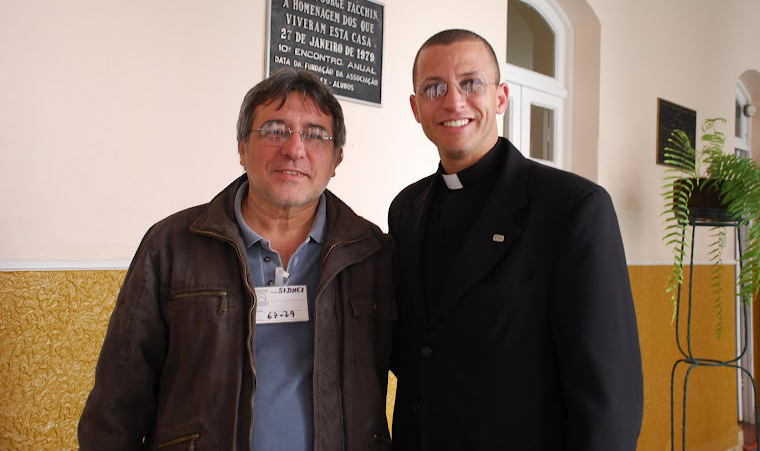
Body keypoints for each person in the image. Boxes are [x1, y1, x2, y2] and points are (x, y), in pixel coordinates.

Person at [79, 68, 395, 451]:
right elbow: (118, 397)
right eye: (275, 130)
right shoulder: (172, 245)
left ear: (336, 158)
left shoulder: (371, 253)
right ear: (242, 148)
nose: (295, 149)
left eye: (314, 134)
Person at [388, 29, 643, 450]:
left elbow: (608, 397)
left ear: (501, 97)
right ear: (416, 108)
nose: (454, 101)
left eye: (471, 83)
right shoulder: (405, 209)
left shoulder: (573, 208)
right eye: (435, 88)